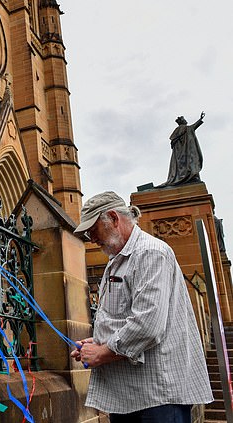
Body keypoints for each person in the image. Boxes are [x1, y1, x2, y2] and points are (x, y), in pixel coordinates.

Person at [70, 191, 213, 422]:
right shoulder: (118, 258)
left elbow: (148, 325)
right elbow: (123, 317)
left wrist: (102, 352)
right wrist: (98, 340)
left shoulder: (149, 252)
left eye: (93, 229)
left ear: (114, 219)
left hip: (158, 397)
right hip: (131, 396)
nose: (91, 238)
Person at [159, 112, 205, 187]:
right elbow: (194, 126)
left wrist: (200, 119)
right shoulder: (187, 128)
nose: (185, 120)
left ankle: (187, 177)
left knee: (183, 165)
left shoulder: (177, 131)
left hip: (179, 153)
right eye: (184, 119)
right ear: (183, 121)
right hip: (186, 152)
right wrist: (200, 119)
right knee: (189, 163)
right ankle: (190, 177)